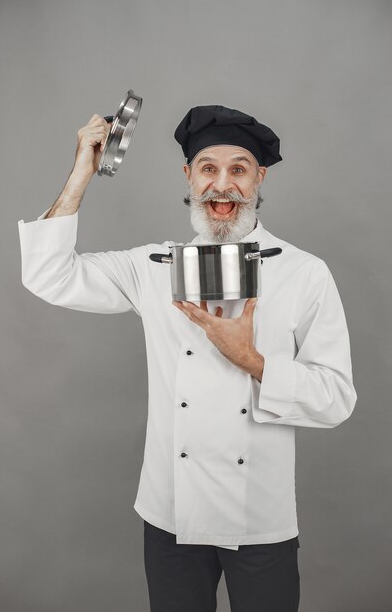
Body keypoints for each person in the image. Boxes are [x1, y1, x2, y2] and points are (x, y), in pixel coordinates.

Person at [18, 103, 357, 612]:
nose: (223, 185)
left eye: (238, 169)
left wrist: (253, 360)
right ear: (189, 176)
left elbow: (336, 400)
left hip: (259, 519)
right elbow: (49, 276)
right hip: (171, 514)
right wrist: (81, 174)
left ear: (260, 178)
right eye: (208, 168)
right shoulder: (153, 267)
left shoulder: (305, 273)